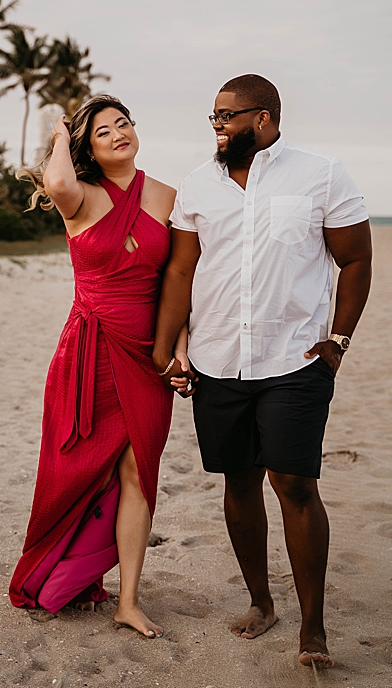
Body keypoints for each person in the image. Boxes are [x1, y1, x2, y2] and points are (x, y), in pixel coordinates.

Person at [153, 74, 372, 669]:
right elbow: (180, 272)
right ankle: (260, 602)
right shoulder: (199, 184)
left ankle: (314, 628)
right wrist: (169, 345)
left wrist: (337, 342)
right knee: (239, 481)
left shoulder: (322, 174)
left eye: (228, 116)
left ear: (265, 119)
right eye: (214, 116)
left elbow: (354, 259)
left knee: (296, 484)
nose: (218, 125)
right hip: (218, 358)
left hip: (294, 360)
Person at [8, 95, 181, 638]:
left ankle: (129, 600)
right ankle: (67, 572)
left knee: (138, 473)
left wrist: (180, 346)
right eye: (103, 131)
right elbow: (56, 182)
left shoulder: (167, 196)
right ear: (86, 146)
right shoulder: (78, 196)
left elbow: (182, 280)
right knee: (81, 470)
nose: (118, 134)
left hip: (148, 352)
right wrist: (60, 134)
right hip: (91, 350)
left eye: (124, 123)